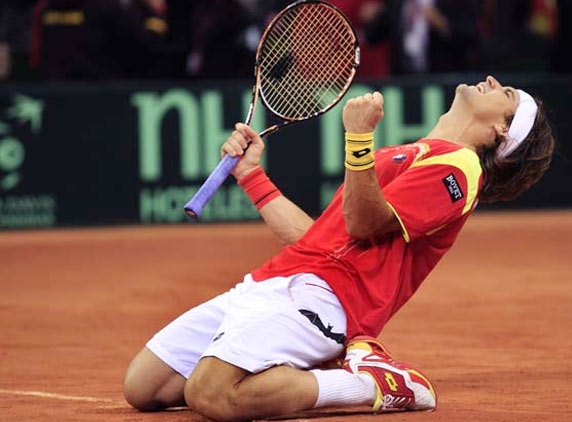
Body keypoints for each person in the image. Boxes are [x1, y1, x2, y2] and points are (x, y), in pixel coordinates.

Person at [123, 76, 555, 420]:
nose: (494, 81)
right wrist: (252, 175)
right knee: (145, 387)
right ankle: (307, 367)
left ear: (502, 129)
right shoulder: (409, 153)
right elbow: (319, 241)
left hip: (330, 301)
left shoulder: (459, 170)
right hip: (276, 281)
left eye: (508, 94)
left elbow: (364, 222)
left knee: (211, 393)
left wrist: (358, 139)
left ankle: (371, 385)